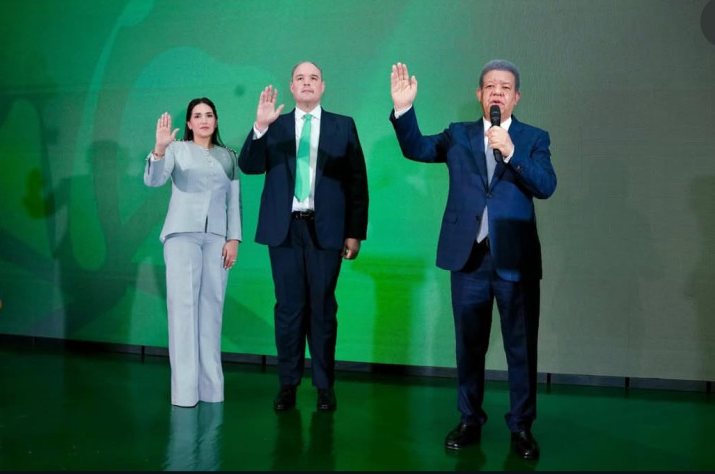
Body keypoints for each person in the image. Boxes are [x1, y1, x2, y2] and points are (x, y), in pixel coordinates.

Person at [389, 60, 557, 459]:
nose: (497, 92)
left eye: (505, 87)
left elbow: (546, 185)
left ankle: (521, 427)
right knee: (468, 345)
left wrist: (511, 151)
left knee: (521, 348)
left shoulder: (533, 138)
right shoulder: (458, 134)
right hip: (468, 258)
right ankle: (469, 419)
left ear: (516, 97)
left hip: (515, 258)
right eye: (490, 86)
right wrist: (403, 109)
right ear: (480, 95)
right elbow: (416, 148)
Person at [238, 61, 369, 412]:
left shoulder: (343, 125)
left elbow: (357, 182)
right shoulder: (274, 125)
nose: (307, 83)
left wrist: (354, 233)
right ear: (292, 87)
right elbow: (249, 166)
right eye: (300, 78)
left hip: (326, 230)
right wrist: (259, 127)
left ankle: (325, 386)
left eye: (313, 78)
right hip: (283, 231)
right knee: (288, 309)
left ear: (322, 86)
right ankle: (288, 384)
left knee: (323, 309)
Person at [144, 97, 242, 407]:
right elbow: (154, 180)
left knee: (212, 310)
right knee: (183, 310)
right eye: (197, 116)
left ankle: (212, 391)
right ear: (188, 122)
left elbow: (234, 201)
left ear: (216, 120)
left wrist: (234, 238)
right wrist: (159, 149)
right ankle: (185, 393)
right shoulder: (175, 149)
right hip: (181, 236)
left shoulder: (229, 156)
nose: (203, 120)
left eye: (209, 115)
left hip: (217, 239)